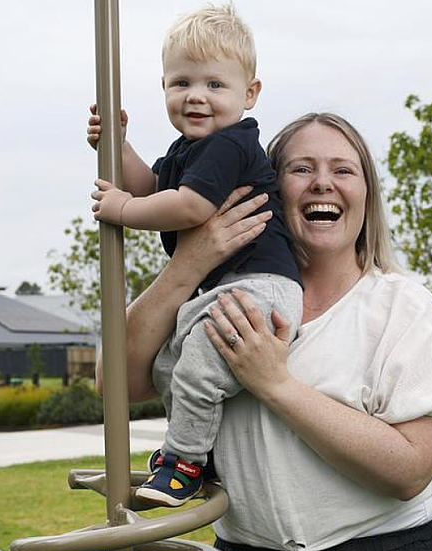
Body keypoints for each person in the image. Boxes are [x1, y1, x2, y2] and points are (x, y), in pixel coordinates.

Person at [97, 113, 432, 551]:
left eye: (343, 170)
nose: (322, 183)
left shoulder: (402, 307)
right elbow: (114, 381)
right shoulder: (221, 300)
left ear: (366, 194)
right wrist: (187, 265)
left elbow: (411, 470)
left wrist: (275, 383)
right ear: (270, 190)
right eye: (301, 169)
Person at [87, 4, 302, 507]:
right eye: (181, 83)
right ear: (163, 86)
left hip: (260, 285)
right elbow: (153, 183)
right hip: (225, 285)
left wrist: (122, 208)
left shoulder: (230, 145)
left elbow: (189, 206)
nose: (196, 96)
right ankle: (194, 453)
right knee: (170, 364)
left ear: (250, 94)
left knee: (202, 360)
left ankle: (182, 458)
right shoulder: (191, 148)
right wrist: (119, 146)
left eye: (214, 85)